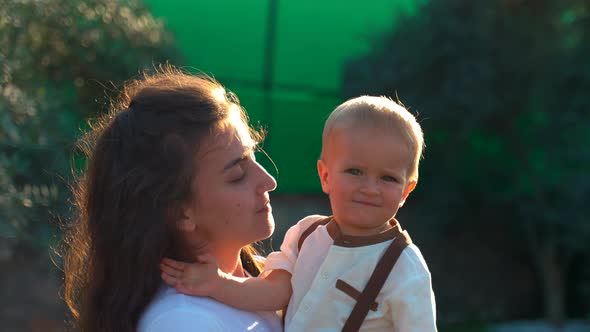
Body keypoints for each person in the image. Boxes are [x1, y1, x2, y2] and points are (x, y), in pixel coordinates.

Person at [161, 96, 438, 331]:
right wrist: (218, 283)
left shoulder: (405, 267)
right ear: (325, 176)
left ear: (406, 191)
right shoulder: (305, 234)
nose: (370, 188)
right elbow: (273, 293)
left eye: (388, 178)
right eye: (355, 171)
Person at [60, 66, 282, 332]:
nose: (269, 182)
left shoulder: (269, 280)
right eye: (237, 176)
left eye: (254, 156)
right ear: (181, 214)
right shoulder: (185, 321)